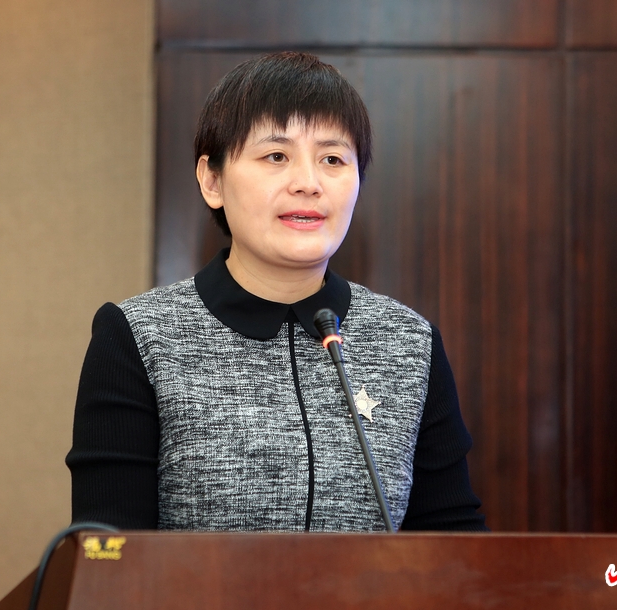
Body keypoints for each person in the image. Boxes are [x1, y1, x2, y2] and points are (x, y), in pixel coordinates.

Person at [66, 52, 486, 532]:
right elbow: (108, 550)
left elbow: (454, 539)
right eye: (276, 156)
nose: (308, 183)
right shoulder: (139, 337)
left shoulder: (409, 342)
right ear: (212, 180)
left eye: (332, 159)